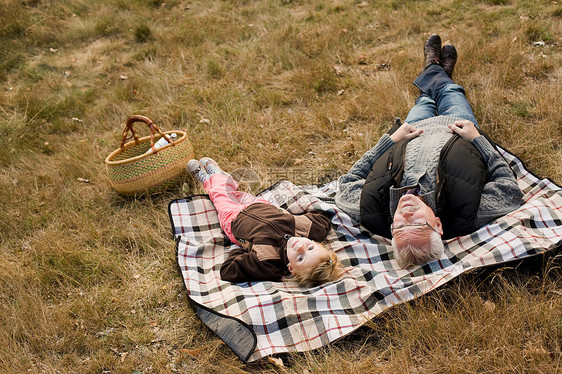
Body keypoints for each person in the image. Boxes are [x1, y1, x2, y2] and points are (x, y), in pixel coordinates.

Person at [335, 34, 523, 267]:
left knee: (424, 100)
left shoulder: (370, 212)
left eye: (400, 227)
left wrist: (390, 140)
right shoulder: (469, 214)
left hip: (413, 129)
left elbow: (346, 183)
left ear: (391, 231)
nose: (406, 216)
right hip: (457, 125)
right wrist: (477, 139)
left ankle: (434, 67)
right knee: (451, 92)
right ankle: (438, 70)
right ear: (438, 225)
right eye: (417, 224)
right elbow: (510, 191)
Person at [187, 157, 345, 286]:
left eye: (300, 258)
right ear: (316, 243)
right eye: (310, 247)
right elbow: (322, 218)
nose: (300, 247)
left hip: (233, 221)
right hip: (260, 205)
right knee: (234, 193)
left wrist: (237, 247)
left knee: (219, 194)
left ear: (291, 269)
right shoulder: (310, 230)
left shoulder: (269, 264)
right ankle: (220, 177)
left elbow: (229, 270)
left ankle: (209, 179)